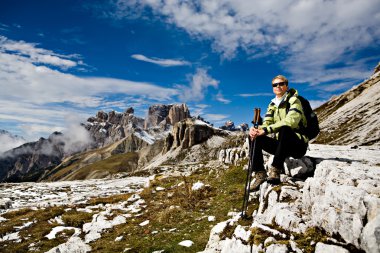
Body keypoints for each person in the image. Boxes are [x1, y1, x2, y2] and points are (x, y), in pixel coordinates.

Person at [248, 75, 308, 190]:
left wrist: (265, 130)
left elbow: (291, 122)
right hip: (282, 146)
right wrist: (257, 130)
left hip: (297, 145)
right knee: (254, 137)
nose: (278, 86)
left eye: (281, 84)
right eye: (275, 85)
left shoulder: (294, 100)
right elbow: (267, 122)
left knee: (285, 128)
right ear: (272, 88)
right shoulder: (272, 105)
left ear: (286, 86)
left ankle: (275, 169)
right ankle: (260, 173)